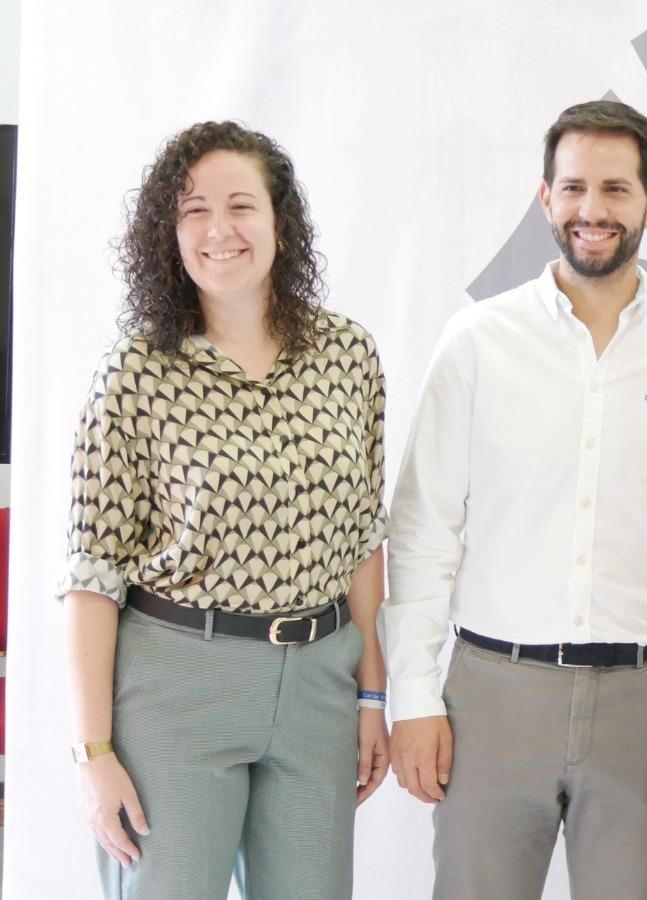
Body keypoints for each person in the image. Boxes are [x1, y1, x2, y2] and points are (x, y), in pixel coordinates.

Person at [383, 99, 647, 900]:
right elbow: (423, 530)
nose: (591, 209)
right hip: (492, 698)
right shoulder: (478, 342)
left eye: (615, 189)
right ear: (546, 198)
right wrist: (414, 698)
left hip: (646, 706)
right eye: (573, 187)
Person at [61, 121, 390, 900]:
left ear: (281, 221)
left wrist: (372, 695)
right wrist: (92, 753)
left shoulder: (348, 354)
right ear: (167, 233)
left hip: (319, 684)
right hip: (178, 686)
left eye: (241, 206)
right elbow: (91, 577)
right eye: (194, 211)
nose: (219, 230)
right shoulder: (135, 373)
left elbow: (363, 540)